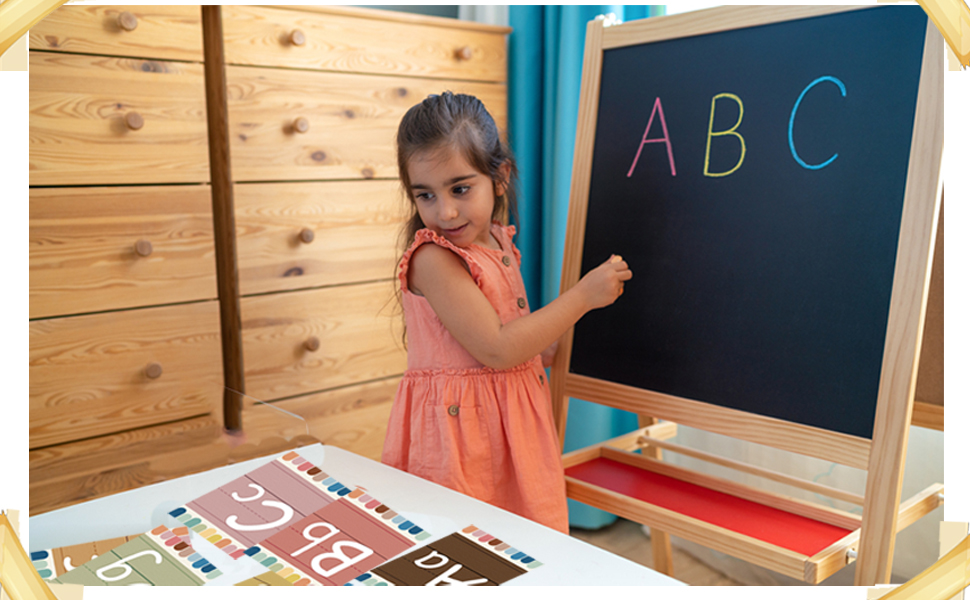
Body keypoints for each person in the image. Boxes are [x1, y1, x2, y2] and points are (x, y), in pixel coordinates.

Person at [381, 91, 631, 534]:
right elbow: (496, 348)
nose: (445, 212)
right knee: (467, 551)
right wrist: (582, 297)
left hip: (513, 431)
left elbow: (510, 343)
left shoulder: (498, 240)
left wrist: (543, 349)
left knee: (527, 549)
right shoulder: (433, 258)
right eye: (425, 195)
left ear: (499, 177)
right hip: (461, 444)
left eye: (460, 188)